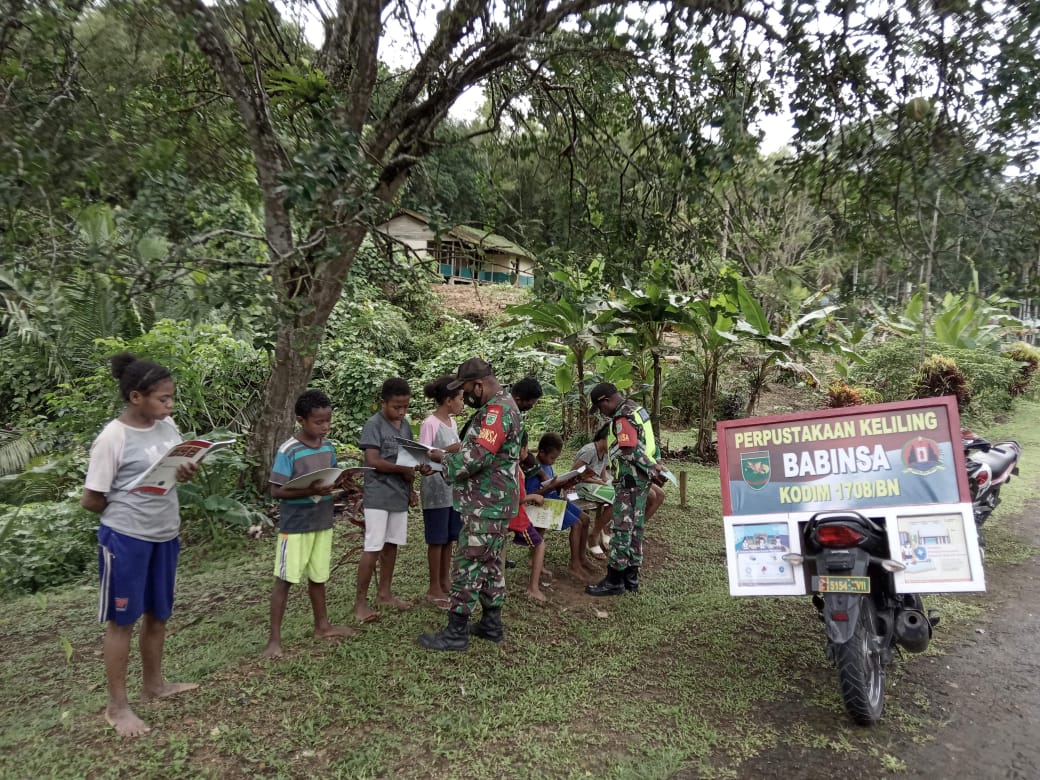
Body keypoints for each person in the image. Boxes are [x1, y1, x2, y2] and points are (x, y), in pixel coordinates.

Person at [81, 353, 201, 737]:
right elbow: (92, 499)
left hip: (165, 533)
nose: (170, 406)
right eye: (163, 399)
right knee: (122, 620)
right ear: (136, 397)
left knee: (159, 614)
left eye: (171, 399)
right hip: (125, 539)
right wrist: (128, 509)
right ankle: (117, 707)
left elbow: (173, 473)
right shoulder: (112, 438)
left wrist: (186, 470)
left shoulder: (168, 427)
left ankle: (155, 685)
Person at [418, 357, 522, 651]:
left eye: (467, 390)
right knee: (490, 564)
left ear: (479, 385)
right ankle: (491, 624)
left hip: (485, 505)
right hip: (493, 503)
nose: (467, 396)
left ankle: (456, 632)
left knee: (469, 564)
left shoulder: (496, 412)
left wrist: (440, 457)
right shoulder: (503, 406)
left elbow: (474, 458)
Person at [264, 389, 356, 658]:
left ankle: (322, 626)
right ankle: (274, 640)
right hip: (296, 526)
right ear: (300, 420)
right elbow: (276, 491)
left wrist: (344, 483)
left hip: (323, 521)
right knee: (285, 580)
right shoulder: (288, 450)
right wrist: (309, 491)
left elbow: (332, 477)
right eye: (318, 422)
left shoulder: (328, 447)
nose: (325, 427)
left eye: (328, 421)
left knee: (319, 576)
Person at [585, 382, 665, 597]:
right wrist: (656, 465)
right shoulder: (638, 411)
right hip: (643, 480)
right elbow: (652, 443)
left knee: (622, 529)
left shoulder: (622, 418)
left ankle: (614, 580)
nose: (602, 413)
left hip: (630, 480)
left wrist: (652, 468)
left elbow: (629, 450)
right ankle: (631, 577)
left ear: (606, 400)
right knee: (636, 527)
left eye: (600, 408)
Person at [356, 377, 420, 622]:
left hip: (398, 494)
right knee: (373, 547)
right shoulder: (373, 425)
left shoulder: (404, 426)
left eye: (405, 406)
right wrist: (402, 471)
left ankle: (385, 593)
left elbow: (407, 459)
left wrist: (411, 488)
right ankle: (360, 603)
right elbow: (373, 461)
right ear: (383, 402)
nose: (401, 412)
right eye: (396, 406)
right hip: (378, 494)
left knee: (392, 544)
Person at [419, 375, 465, 608]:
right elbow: (424, 458)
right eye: (460, 398)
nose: (462, 403)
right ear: (448, 400)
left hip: (451, 489)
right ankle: (433, 586)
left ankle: (445, 580)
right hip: (435, 489)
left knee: (449, 537)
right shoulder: (430, 424)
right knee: (436, 539)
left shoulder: (452, 423)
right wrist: (450, 449)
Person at [526, 432, 597, 581]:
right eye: (552, 458)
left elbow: (551, 486)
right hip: (539, 504)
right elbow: (533, 496)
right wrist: (552, 486)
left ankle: (582, 557)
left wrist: (565, 484)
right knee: (577, 524)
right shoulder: (533, 468)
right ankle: (574, 565)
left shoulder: (546, 466)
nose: (553, 462)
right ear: (541, 452)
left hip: (552, 499)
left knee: (585, 519)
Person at [507, 433, 549, 601]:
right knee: (540, 545)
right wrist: (533, 497)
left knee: (501, 546)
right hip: (517, 518)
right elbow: (516, 498)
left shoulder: (505, 466)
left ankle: (499, 581)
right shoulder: (516, 470)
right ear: (522, 449)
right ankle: (533, 588)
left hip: (503, 516)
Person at [573, 423, 614, 559]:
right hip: (582, 486)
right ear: (606, 438)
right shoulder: (590, 450)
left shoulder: (604, 452)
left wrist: (608, 482)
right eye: (614, 440)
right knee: (616, 499)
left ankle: (603, 529)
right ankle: (595, 533)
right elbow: (575, 474)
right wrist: (598, 482)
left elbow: (602, 473)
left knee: (620, 494)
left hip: (595, 485)